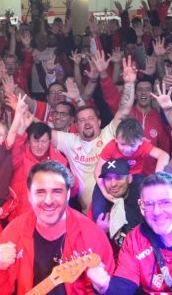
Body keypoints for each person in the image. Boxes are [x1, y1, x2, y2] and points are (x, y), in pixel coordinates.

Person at [0, 160, 116, 294]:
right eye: (40, 192)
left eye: (57, 191)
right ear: (29, 196)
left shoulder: (93, 235)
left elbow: (111, 289)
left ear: (68, 194)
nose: (48, 201)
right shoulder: (14, 232)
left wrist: (103, 289)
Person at [52, 56, 137, 211]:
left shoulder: (109, 133)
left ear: (99, 122)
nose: (87, 122)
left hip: (116, 209)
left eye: (91, 118)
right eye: (82, 120)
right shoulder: (70, 141)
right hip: (86, 214)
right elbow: (42, 133)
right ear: (76, 125)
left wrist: (130, 83)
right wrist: (21, 115)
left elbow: (124, 110)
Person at [91, 158, 145, 251]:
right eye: (108, 178)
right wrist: (100, 233)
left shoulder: (142, 196)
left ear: (130, 178)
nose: (113, 184)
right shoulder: (99, 206)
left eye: (118, 177)